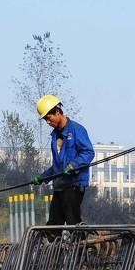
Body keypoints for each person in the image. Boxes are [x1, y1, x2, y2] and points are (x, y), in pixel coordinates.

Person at [32, 95, 95, 226]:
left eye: (48, 118)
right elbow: (58, 166)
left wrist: (73, 165)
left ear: (57, 112)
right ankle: (54, 240)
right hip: (60, 186)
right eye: (45, 120)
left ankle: (81, 239)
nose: (47, 122)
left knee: (72, 219)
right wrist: (43, 177)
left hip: (74, 184)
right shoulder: (55, 136)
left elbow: (88, 152)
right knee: (54, 223)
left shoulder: (76, 130)